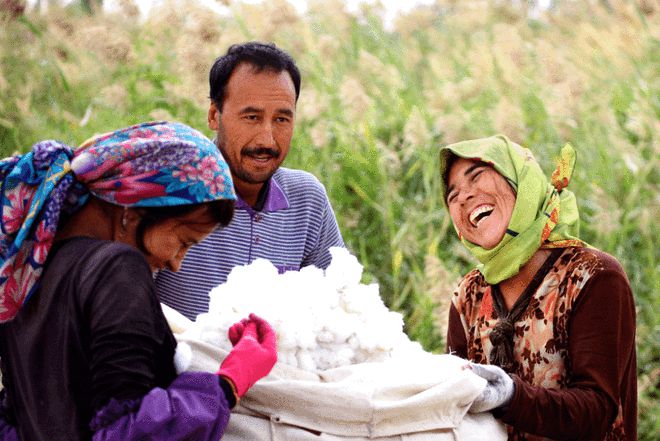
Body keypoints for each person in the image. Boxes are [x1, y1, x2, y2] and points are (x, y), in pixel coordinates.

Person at [0, 121, 277, 440]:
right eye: (184, 241)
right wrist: (229, 382)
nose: (176, 263)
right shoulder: (117, 269)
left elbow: (17, 417)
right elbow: (128, 433)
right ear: (132, 212)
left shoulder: (22, 273)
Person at [439, 135, 637, 440]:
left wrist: (509, 396)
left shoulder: (592, 277)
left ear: (521, 182)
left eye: (477, 176)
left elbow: (597, 410)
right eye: (452, 196)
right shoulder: (468, 296)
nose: (464, 196)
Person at [156, 42, 345, 320]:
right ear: (213, 115)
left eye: (282, 119)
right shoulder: (171, 190)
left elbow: (340, 305)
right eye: (251, 117)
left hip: (279, 363)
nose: (267, 139)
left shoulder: (307, 200)